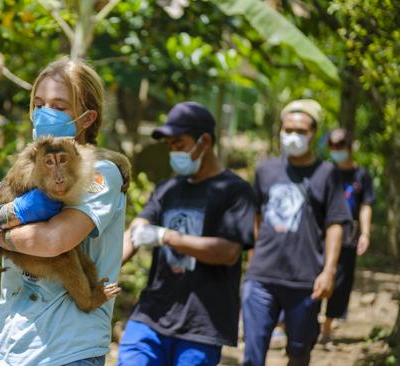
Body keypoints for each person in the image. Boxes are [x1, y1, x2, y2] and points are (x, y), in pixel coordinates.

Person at [0, 58, 126, 366]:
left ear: (86, 118)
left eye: (59, 106)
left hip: (63, 351)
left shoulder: (101, 173)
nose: (45, 113)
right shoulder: (27, 170)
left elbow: (53, 242)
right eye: (38, 103)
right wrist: (12, 212)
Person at [117, 102, 257, 366]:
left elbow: (228, 252)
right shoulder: (166, 189)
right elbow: (135, 232)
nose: (173, 151)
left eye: (179, 144)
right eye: (169, 145)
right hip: (151, 314)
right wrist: (100, 271)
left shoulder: (236, 191)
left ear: (205, 141)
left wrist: (167, 237)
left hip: (202, 323)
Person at [242, 99, 352, 366]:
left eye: (301, 131)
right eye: (288, 129)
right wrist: (252, 263)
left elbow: (335, 223)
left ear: (313, 134)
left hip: (304, 281)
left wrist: (328, 271)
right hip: (261, 279)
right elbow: (256, 216)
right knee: (253, 353)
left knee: (299, 352)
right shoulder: (265, 170)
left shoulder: (327, 174)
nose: (293, 136)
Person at [320, 128, 375, 344]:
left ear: (349, 147)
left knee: (341, 283)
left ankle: (327, 328)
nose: (335, 150)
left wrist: (365, 233)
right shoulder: (324, 171)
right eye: (331, 146)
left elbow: (365, 206)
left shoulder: (361, 175)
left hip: (348, 235)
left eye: (339, 146)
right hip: (321, 235)